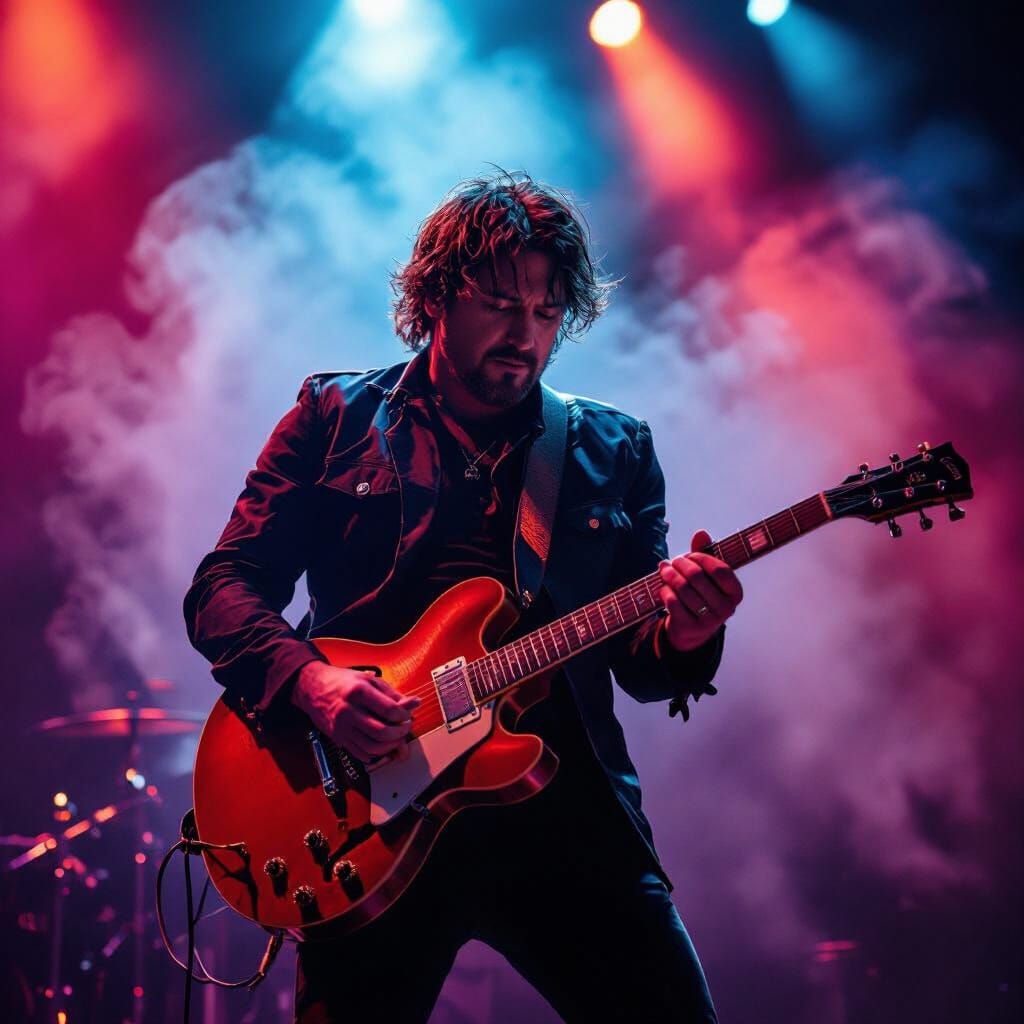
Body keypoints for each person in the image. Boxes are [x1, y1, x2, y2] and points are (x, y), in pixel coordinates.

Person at [184, 172, 743, 1023]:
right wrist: (311, 683)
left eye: (548, 313)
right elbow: (223, 587)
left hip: (565, 824)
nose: (525, 335)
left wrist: (688, 633)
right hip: (369, 820)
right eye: (501, 304)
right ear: (436, 296)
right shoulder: (334, 416)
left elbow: (643, 668)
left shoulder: (613, 449)